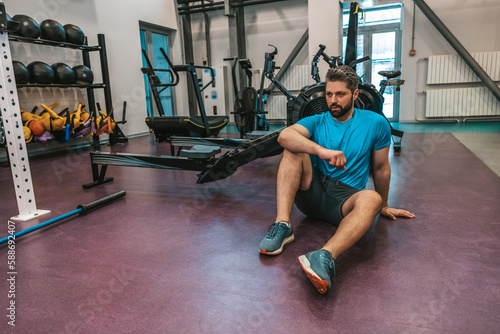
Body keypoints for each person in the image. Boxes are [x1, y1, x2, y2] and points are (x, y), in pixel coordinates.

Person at [259, 65, 415, 294]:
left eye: (340, 94)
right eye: (329, 94)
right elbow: (284, 136)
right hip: (312, 191)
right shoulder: (318, 120)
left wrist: (383, 205)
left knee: (370, 198)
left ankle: (323, 256)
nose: (333, 100)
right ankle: (283, 224)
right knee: (293, 148)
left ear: (354, 94)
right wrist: (323, 152)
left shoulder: (376, 122)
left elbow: (381, 167)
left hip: (345, 199)